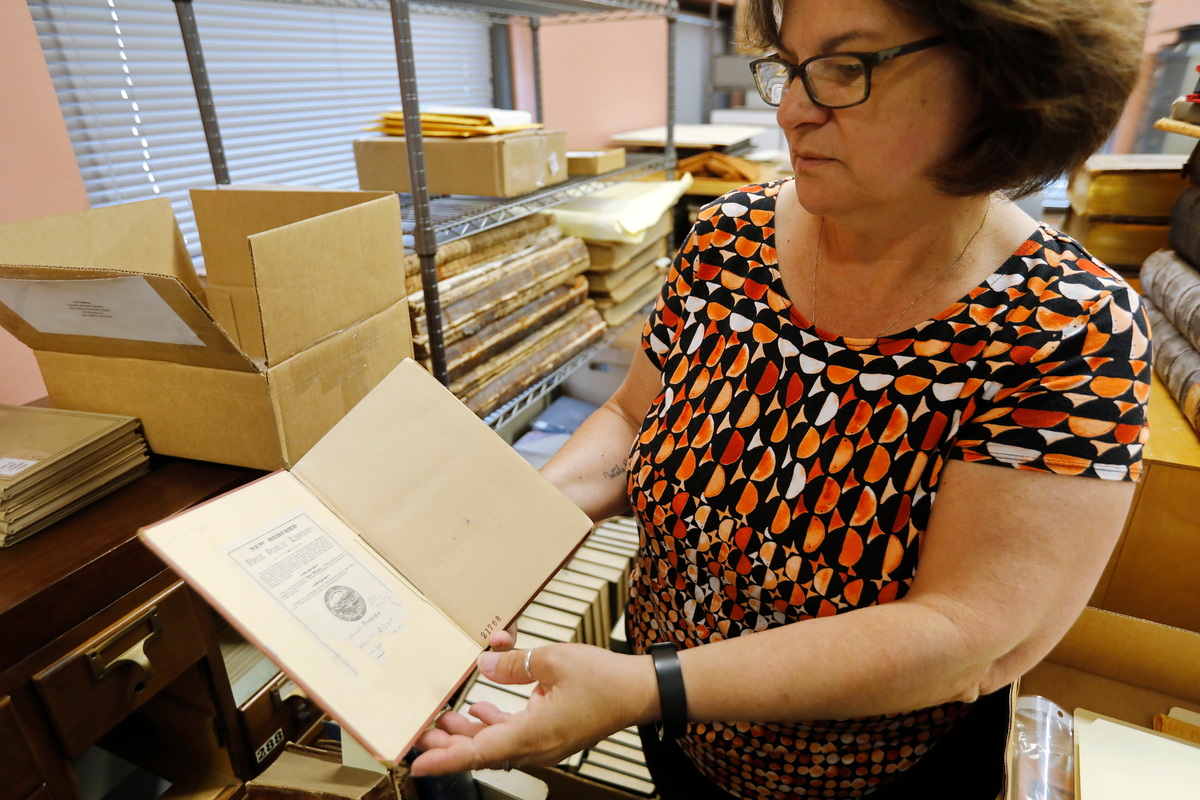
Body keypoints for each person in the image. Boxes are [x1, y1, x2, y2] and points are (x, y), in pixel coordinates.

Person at [411, 0, 1150, 797]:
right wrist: (498, 545)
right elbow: (633, 421)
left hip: (868, 779)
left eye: (846, 67)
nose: (794, 110)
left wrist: (646, 687)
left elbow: (963, 635)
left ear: (1004, 81)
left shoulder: (1068, 327)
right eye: (791, 67)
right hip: (678, 735)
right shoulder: (726, 238)